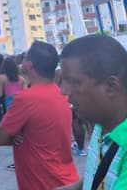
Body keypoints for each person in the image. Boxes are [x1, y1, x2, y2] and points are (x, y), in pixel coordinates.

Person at [0, 41, 78, 190]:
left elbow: (0, 139)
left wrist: (14, 138)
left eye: (25, 57)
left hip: (42, 184)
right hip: (69, 179)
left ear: (29, 65)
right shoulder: (62, 94)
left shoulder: (25, 99)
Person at [55, 34, 127, 190]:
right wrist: (77, 187)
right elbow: (101, 172)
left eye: (73, 82)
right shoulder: (102, 122)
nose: (63, 91)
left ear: (111, 86)